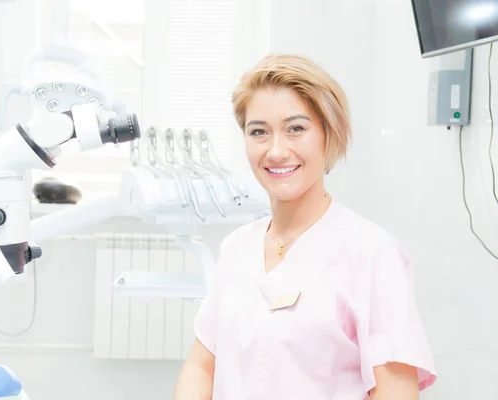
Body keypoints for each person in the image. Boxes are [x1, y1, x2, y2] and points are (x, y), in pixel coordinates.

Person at [172, 54, 437, 399]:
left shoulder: (372, 252)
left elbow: (395, 392)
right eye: (259, 132)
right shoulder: (237, 247)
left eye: (296, 128)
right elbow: (201, 366)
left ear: (329, 134)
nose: (277, 150)